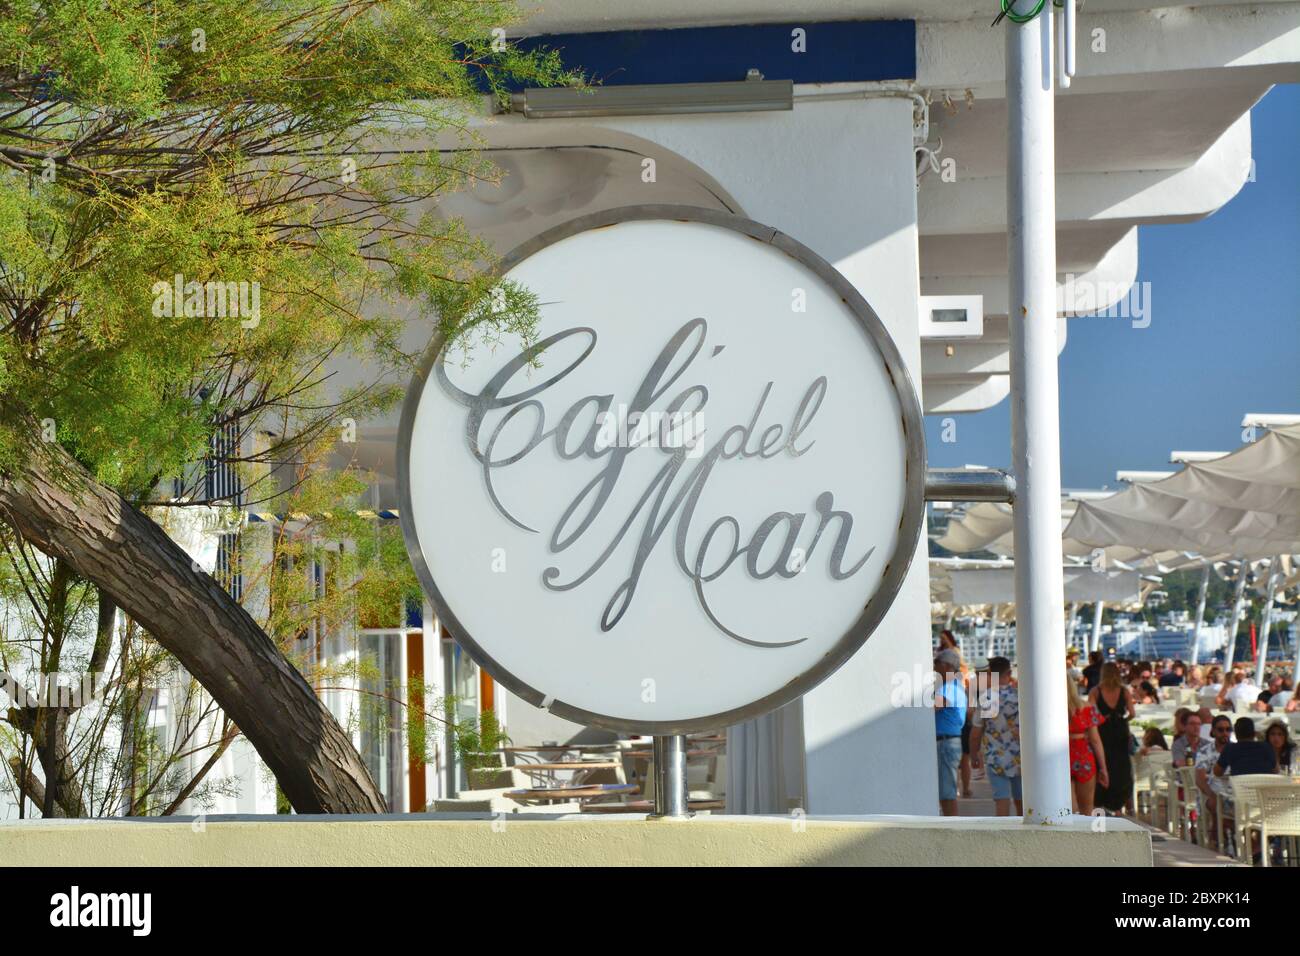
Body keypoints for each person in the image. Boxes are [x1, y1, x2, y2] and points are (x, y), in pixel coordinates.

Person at [970, 656, 1021, 816]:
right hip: (1021, 756)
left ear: (990, 673)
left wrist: (973, 755)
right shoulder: (1020, 696)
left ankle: (1003, 835)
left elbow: (976, 733)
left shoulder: (987, 699)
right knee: (1023, 800)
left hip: (995, 757)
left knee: (1001, 799)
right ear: (1010, 673)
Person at [1089, 662, 1134, 814]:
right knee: (1121, 766)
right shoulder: (1124, 691)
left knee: (1103, 763)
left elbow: (1092, 714)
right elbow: (1132, 713)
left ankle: (1101, 800)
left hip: (1103, 731)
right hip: (1120, 730)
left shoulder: (1095, 692)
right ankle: (1118, 804)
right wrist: (1122, 720)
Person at [1067, 676, 1109, 816]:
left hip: (1060, 757)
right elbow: (1095, 740)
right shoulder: (1087, 708)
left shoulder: (1048, 711)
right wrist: (1103, 768)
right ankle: (1087, 837)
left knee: (1068, 810)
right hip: (1083, 756)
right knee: (1087, 809)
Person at [934, 649, 967, 816]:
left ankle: (950, 827)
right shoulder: (955, 686)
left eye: (936, 663)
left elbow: (934, 706)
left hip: (945, 743)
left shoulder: (948, 687)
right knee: (946, 791)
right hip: (950, 742)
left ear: (946, 666)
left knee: (947, 793)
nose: (933, 667)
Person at [1195, 715, 1234, 851]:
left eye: (1228, 729)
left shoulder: (1236, 749)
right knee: (1215, 802)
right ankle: (1223, 837)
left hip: (1235, 790)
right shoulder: (1205, 751)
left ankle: (1223, 836)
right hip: (1212, 790)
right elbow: (1199, 779)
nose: (1225, 733)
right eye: (1221, 729)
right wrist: (1211, 794)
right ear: (1213, 731)